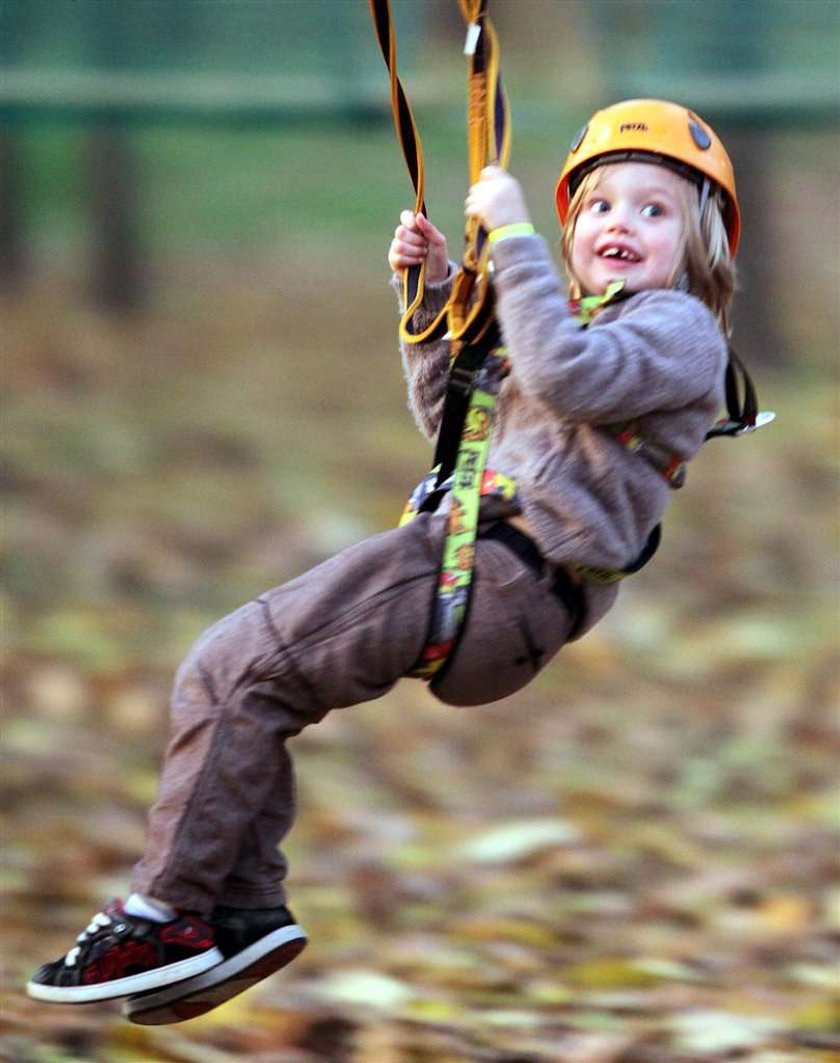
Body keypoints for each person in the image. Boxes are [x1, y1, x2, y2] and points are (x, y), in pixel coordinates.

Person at [27, 99, 740, 1024]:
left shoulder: (680, 332)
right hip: (480, 570)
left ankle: (166, 914)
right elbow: (458, 431)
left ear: (704, 246)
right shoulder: (569, 322)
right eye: (602, 205)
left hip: (501, 576)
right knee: (251, 680)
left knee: (232, 663)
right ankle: (238, 905)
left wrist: (515, 239)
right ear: (577, 227)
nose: (621, 225)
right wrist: (433, 298)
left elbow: (565, 375)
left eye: (655, 211)